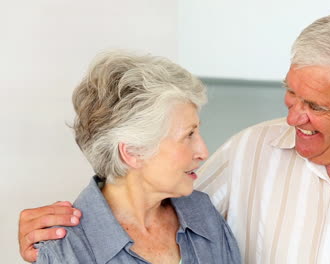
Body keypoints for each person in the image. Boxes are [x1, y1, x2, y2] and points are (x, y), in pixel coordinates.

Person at [19, 11, 330, 264]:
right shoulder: (249, 152)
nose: (294, 117)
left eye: (315, 106)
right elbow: (151, 185)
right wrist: (51, 231)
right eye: (290, 93)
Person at [22, 51, 241, 263]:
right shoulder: (64, 249)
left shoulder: (203, 213)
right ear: (133, 152)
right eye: (189, 135)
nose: (203, 152)